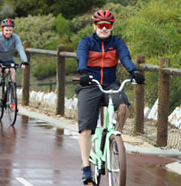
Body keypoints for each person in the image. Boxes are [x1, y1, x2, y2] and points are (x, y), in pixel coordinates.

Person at [75, 10, 144, 184]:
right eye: (101, 25)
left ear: (112, 27)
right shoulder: (86, 42)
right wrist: (82, 72)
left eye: (108, 25)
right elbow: (81, 58)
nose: (104, 29)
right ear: (94, 26)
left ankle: (114, 140)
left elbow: (125, 58)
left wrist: (134, 71)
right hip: (89, 84)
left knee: (122, 107)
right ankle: (85, 168)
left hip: (111, 84)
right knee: (85, 128)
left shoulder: (117, 42)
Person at [0, 18, 28, 109]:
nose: (8, 32)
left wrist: (24, 60)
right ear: (2, 29)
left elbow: (20, 49)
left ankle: (13, 102)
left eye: (10, 30)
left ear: (13, 30)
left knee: (13, 77)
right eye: (6, 30)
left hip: (9, 61)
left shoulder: (16, 38)